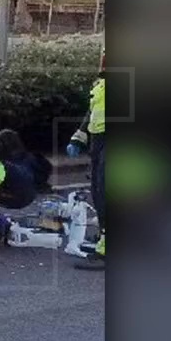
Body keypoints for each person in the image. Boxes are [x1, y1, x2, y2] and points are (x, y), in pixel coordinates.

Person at [66, 54, 106, 263]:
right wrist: (78, 139)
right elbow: (91, 113)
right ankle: (104, 236)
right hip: (99, 142)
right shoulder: (101, 83)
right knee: (98, 191)